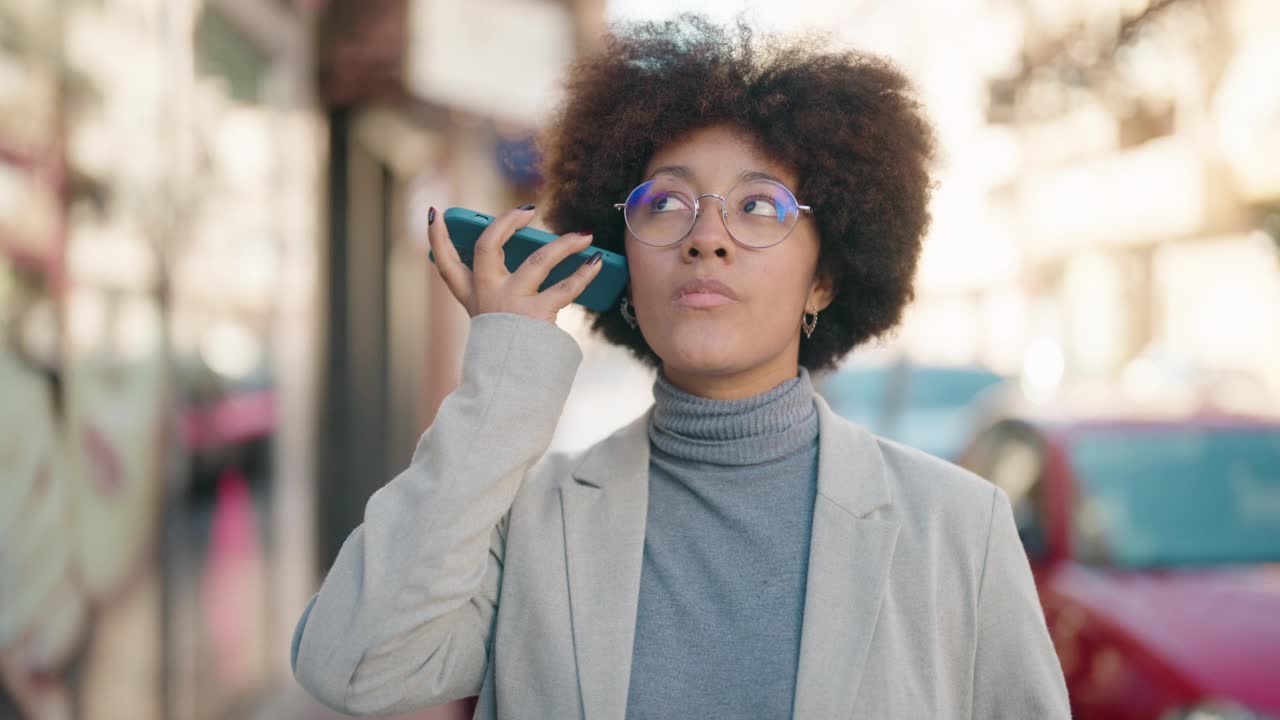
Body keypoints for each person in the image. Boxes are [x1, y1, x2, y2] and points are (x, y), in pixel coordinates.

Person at [291, 15, 1070, 719]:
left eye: (758, 206)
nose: (706, 237)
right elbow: (352, 665)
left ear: (826, 277)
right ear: (620, 256)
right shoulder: (530, 520)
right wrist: (506, 373)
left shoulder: (959, 531)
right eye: (666, 204)